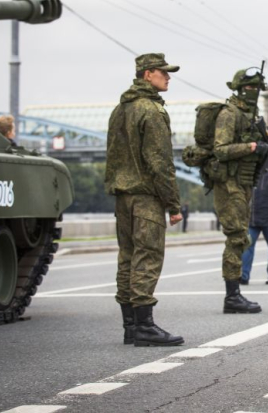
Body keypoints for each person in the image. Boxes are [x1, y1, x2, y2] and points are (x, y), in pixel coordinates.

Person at [105, 53, 184, 347]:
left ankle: (129, 325)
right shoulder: (151, 111)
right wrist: (173, 205)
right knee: (147, 257)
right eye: (164, 72)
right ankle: (145, 325)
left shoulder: (120, 109)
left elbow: (112, 156)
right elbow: (160, 162)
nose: (168, 77)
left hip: (122, 195)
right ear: (148, 74)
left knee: (126, 257)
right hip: (146, 197)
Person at [211, 67, 268, 314]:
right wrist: (251, 146)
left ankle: (234, 294)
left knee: (241, 237)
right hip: (229, 184)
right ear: (237, 88)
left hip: (244, 183)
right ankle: (232, 296)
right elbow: (220, 149)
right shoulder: (229, 114)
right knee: (236, 237)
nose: (253, 93)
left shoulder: (252, 116)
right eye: (248, 88)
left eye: (257, 88)